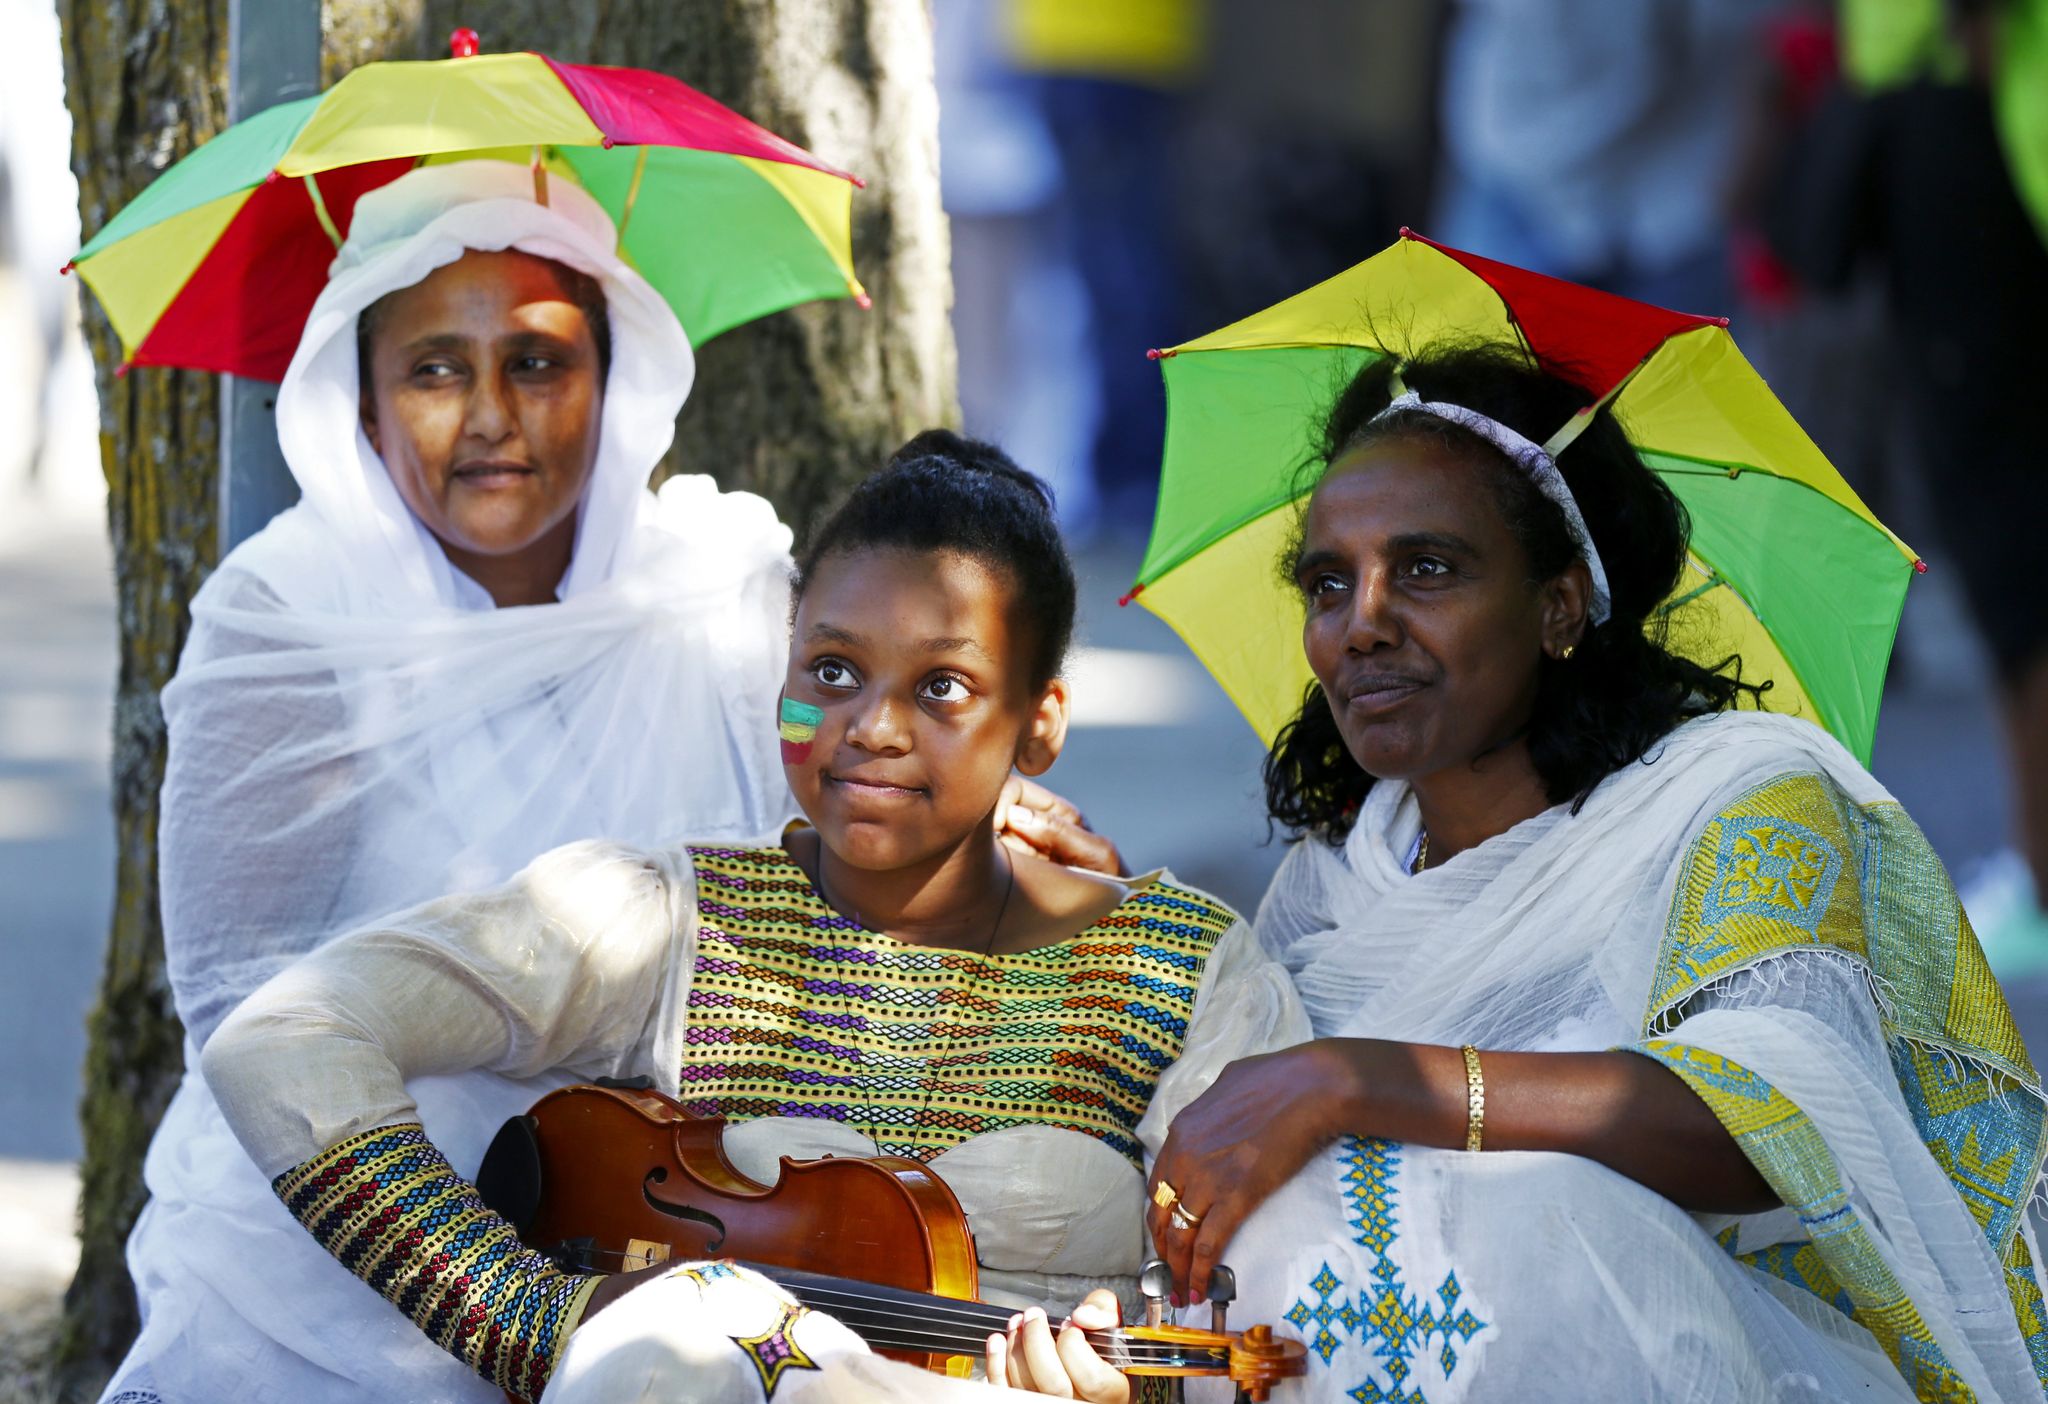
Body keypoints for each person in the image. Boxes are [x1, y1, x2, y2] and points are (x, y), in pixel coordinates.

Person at [103, 160, 1110, 1404]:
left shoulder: (713, 579)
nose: (489, 414)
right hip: (341, 1243)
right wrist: (497, 1272)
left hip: (664, 1220)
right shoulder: (291, 618)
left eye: (536, 362)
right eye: (433, 369)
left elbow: (832, 748)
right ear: (361, 404)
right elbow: (240, 997)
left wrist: (984, 802)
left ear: (612, 378)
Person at [199, 433, 1306, 1403]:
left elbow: (1282, 1309)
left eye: (940, 688)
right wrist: (532, 1323)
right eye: (828, 670)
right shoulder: (671, 916)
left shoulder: (1184, 968)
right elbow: (282, 1042)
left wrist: (1137, 1396)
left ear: (1038, 726)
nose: (867, 726)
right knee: (687, 1341)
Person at [1110, 346, 2047, 1401]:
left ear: (1559, 605)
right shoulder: (1340, 874)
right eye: (1329, 583)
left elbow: (1766, 1122)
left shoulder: (1735, 797)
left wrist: (1353, 1079)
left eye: (1424, 568)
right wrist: (1101, 922)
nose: (1359, 623)